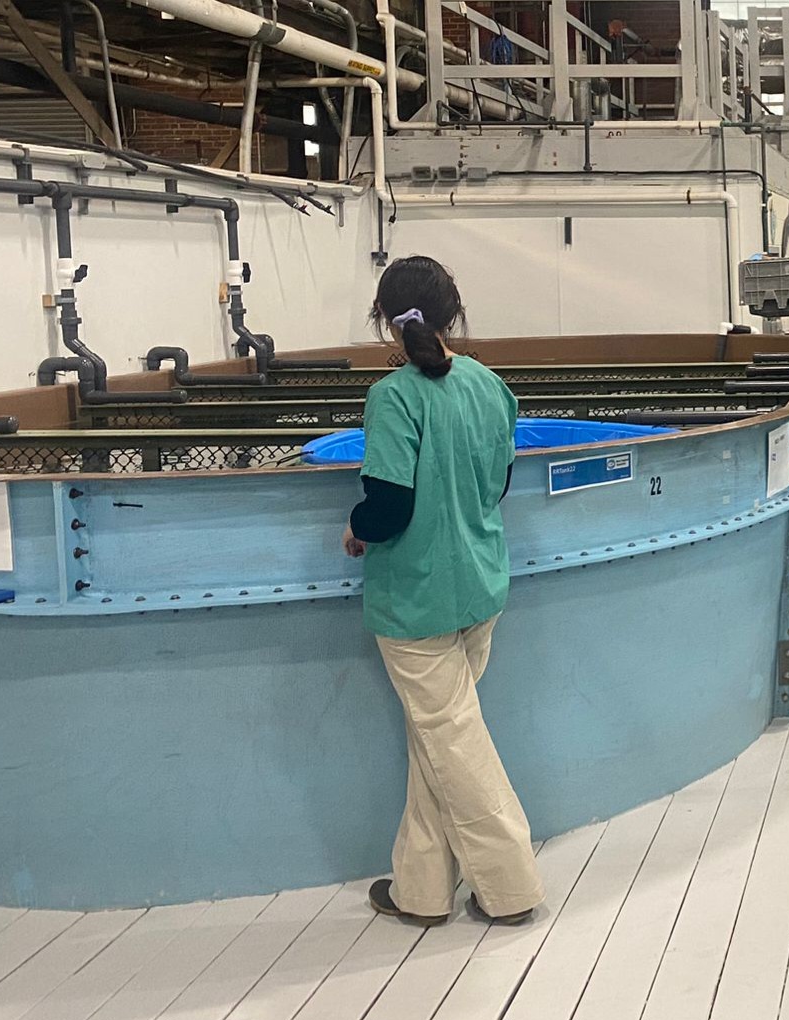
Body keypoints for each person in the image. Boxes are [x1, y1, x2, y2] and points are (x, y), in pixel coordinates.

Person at [343, 256, 542, 928]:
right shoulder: (491, 387)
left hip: (416, 601)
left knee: (452, 743)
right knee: (440, 741)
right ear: (452, 316)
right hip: (480, 588)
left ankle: (511, 884)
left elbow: (389, 506)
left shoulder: (393, 398)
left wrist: (355, 527)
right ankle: (421, 891)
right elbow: (498, 486)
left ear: (385, 322)